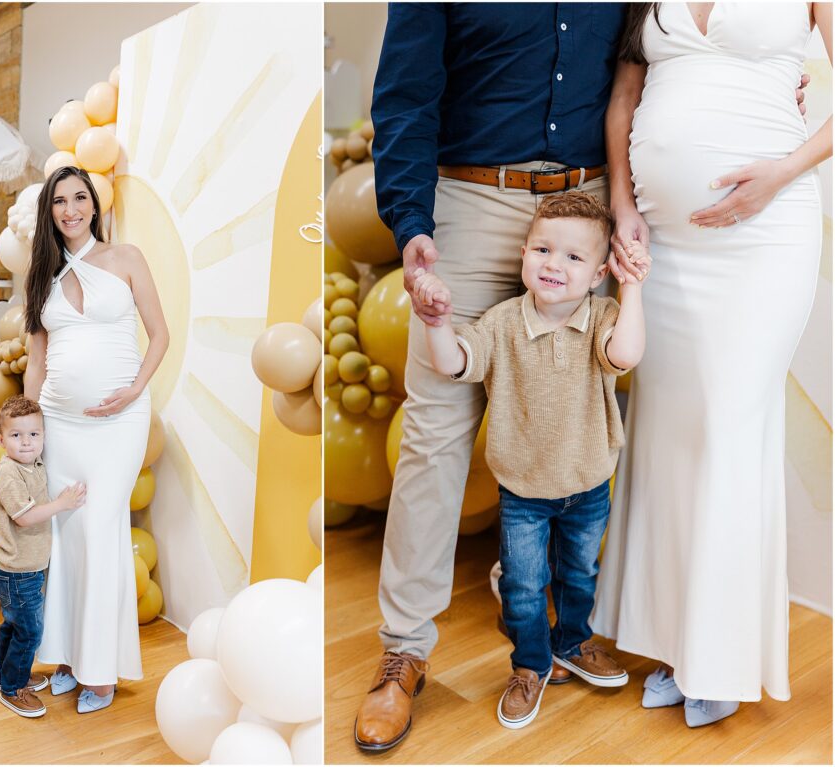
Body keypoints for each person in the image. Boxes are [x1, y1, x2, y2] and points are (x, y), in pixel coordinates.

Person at [355, 4, 628, 752]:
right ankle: (404, 649)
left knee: (572, 417)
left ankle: (542, 604)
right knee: (435, 433)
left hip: (586, 207)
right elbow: (405, 96)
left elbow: (643, 71)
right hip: (470, 202)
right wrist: (411, 224)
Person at [591, 2, 832, 728]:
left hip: (766, 232)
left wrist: (782, 172)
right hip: (664, 243)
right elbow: (624, 100)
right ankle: (673, 644)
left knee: (729, 428)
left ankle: (720, 659)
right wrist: (623, 205)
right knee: (670, 437)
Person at [413, 192, 650, 729]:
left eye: (572, 258)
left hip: (588, 483)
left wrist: (632, 286)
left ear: (596, 275)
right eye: (543, 249)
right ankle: (529, 665)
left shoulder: (602, 316)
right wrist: (436, 322)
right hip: (523, 492)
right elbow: (456, 364)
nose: (553, 264)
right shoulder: (501, 323)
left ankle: (572, 643)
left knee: (579, 574)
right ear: (523, 253)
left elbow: (626, 354)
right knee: (522, 586)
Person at [23, 165, 169, 714]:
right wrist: (28, 430)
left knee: (100, 527)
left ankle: (102, 674)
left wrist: (134, 391)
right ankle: (66, 658)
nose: (70, 209)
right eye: (59, 201)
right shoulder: (42, 275)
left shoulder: (126, 258)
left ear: (94, 204)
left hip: (117, 424)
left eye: (79, 197)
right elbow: (37, 362)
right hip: (59, 423)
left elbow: (160, 333)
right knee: (65, 536)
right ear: (50, 212)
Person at [0, 394, 87, 718]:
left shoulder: (33, 462)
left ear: (44, 436)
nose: (27, 443)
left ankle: (7, 673)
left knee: (14, 626)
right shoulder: (9, 473)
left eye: (34, 435)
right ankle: (14, 689)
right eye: (16, 436)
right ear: (1, 440)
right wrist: (62, 504)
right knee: (29, 631)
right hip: (17, 570)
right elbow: (24, 517)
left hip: (24, 567)